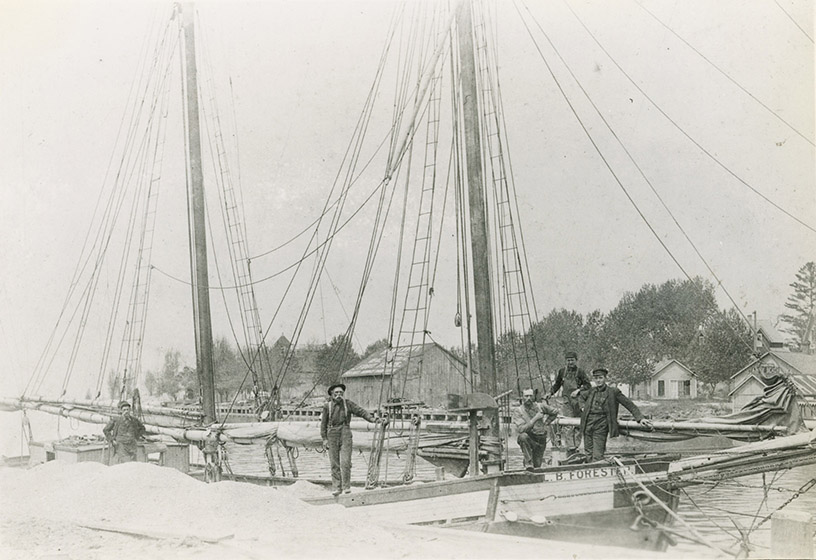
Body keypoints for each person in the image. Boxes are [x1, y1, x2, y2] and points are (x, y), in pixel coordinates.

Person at [579, 368, 652, 462]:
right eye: (596, 378)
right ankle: (590, 472)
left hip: (601, 424)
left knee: (597, 455)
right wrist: (582, 407)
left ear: (605, 378)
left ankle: (598, 469)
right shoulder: (591, 391)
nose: (598, 380)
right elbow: (581, 397)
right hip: (587, 423)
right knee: (588, 453)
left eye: (600, 378)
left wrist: (640, 418)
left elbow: (628, 404)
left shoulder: (613, 392)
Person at [320, 383, 376, 496]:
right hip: (332, 434)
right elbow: (323, 425)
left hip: (345, 432)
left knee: (345, 462)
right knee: (334, 463)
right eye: (336, 393)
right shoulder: (327, 406)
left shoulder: (348, 404)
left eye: (341, 393)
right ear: (331, 394)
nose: (339, 395)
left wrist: (372, 419)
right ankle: (336, 487)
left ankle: (346, 487)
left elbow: (361, 411)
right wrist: (324, 439)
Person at [547, 351, 591, 453]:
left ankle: (576, 447)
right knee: (568, 424)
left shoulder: (581, 372)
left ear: (576, 360)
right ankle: (570, 447)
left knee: (578, 424)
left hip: (579, 402)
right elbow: (557, 385)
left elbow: (588, 386)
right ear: (565, 361)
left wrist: (578, 390)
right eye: (568, 360)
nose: (570, 362)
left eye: (572, 360)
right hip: (567, 402)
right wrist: (550, 393)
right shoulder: (562, 371)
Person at [513, 388, 559, 470]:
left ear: (533, 396)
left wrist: (546, 422)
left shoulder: (540, 406)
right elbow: (521, 429)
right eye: (526, 396)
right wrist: (536, 418)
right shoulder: (518, 411)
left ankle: (532, 465)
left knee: (537, 466)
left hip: (540, 440)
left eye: (530, 396)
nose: (528, 398)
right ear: (522, 397)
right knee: (522, 437)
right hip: (529, 439)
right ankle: (528, 463)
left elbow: (555, 412)